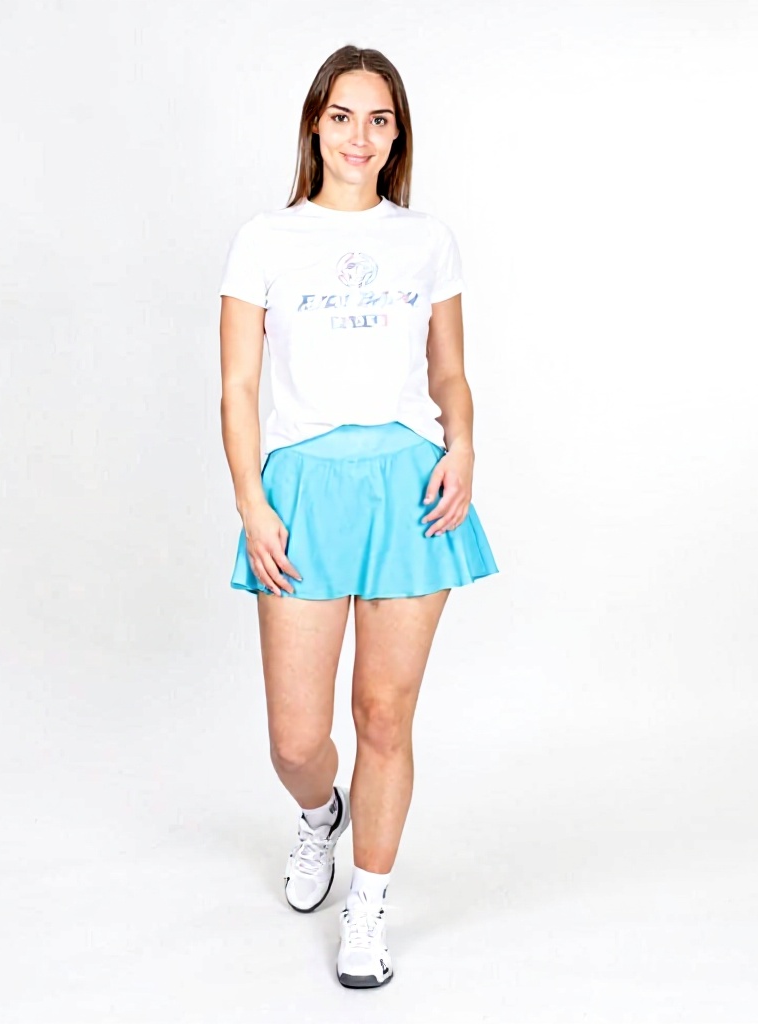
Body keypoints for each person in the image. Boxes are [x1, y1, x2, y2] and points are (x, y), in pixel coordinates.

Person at [218, 44, 499, 989]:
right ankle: (318, 816)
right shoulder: (266, 239)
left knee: (384, 715)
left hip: (409, 489)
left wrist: (463, 447)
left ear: (397, 135)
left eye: (380, 120)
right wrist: (252, 501)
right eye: (343, 116)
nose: (360, 136)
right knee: (297, 741)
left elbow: (450, 372)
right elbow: (238, 386)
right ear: (315, 124)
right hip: (302, 490)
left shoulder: (427, 240)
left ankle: (368, 906)